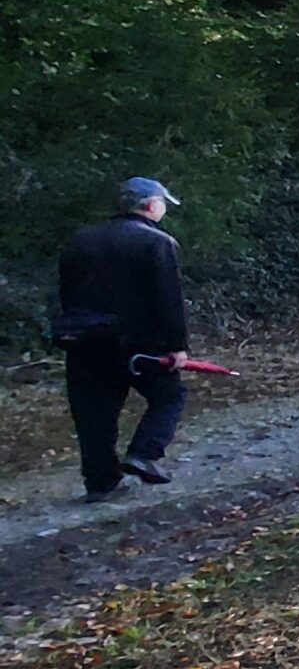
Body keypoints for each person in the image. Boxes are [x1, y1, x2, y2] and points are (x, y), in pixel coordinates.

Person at [52, 178, 191, 501]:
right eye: (162, 202)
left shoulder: (80, 240)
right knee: (169, 396)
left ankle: (100, 483)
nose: (164, 208)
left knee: (93, 414)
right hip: (139, 344)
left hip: (84, 340)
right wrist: (177, 346)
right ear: (149, 205)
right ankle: (144, 452)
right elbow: (169, 299)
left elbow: (65, 292)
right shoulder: (157, 242)